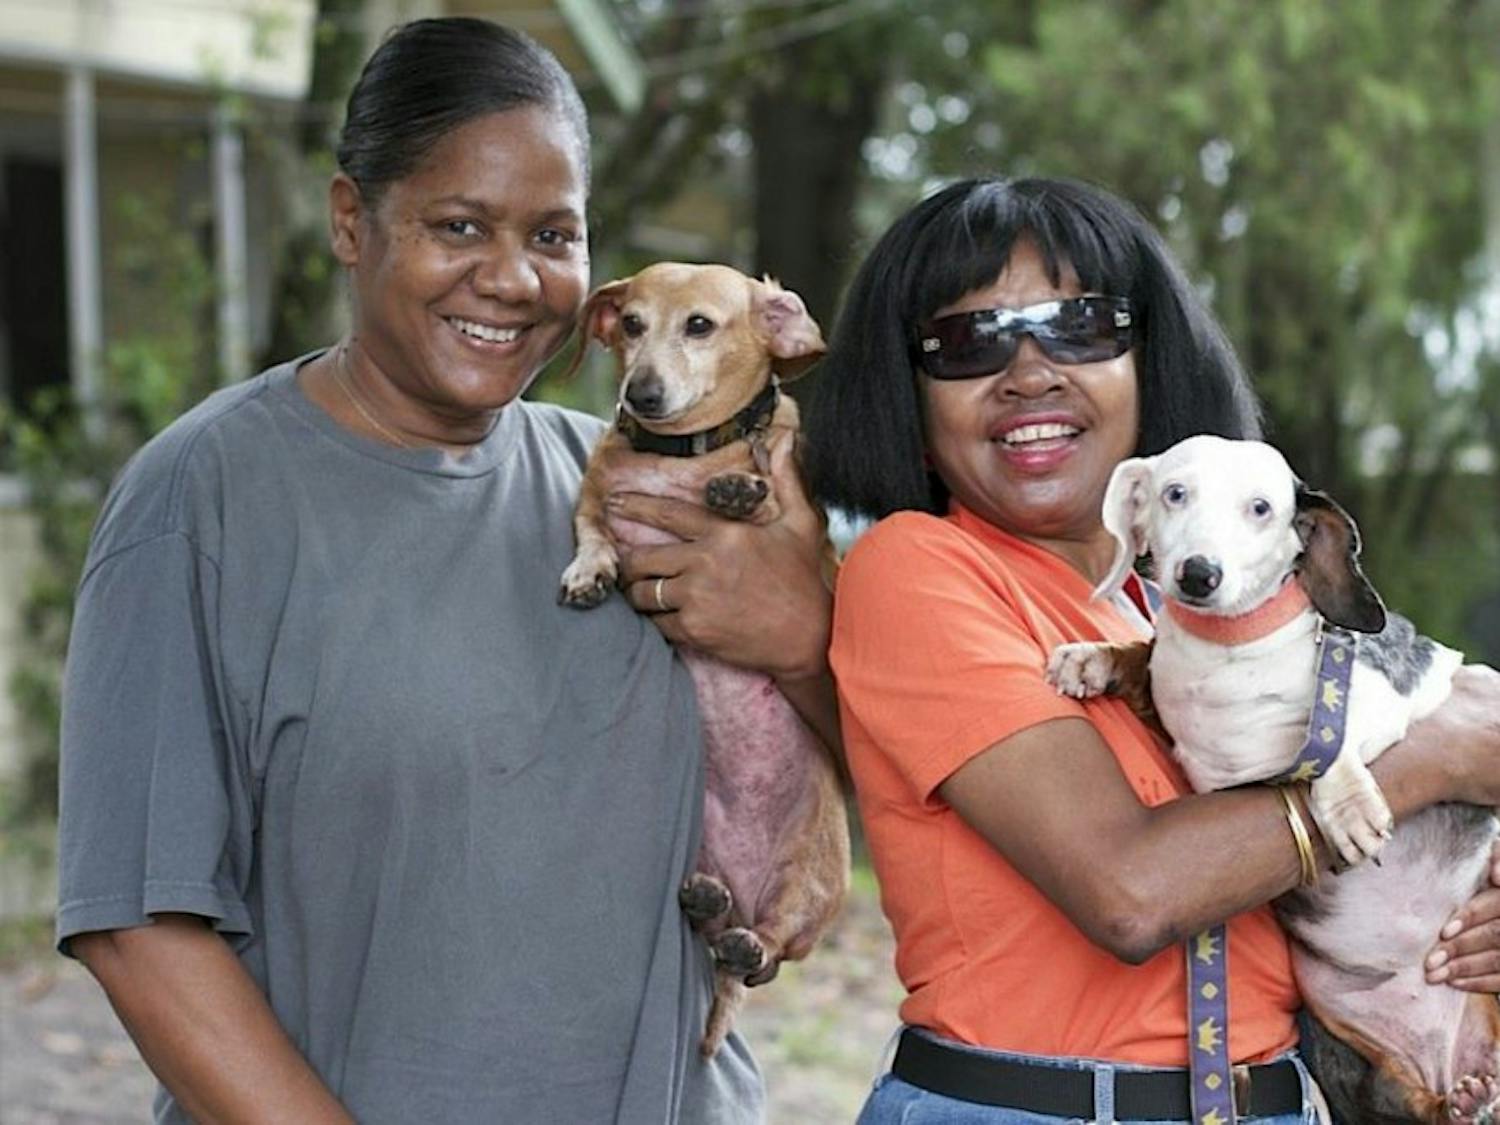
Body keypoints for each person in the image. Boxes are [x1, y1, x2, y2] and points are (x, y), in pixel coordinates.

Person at [54, 18, 833, 1123]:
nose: (512, 279)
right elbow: (137, 925)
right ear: (349, 222)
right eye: (459, 225)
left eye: (553, 236)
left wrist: (806, 647)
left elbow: (883, 774)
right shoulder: (204, 499)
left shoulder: (631, 493)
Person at [802, 175, 1500, 1124]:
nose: (1031, 372)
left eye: (1081, 325)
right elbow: (1133, 892)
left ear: (1148, 363)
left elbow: (1311, 882)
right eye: (970, 342)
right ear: (905, 393)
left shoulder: (1188, 608)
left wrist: (1466, 908)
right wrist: (1435, 754)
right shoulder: (917, 570)